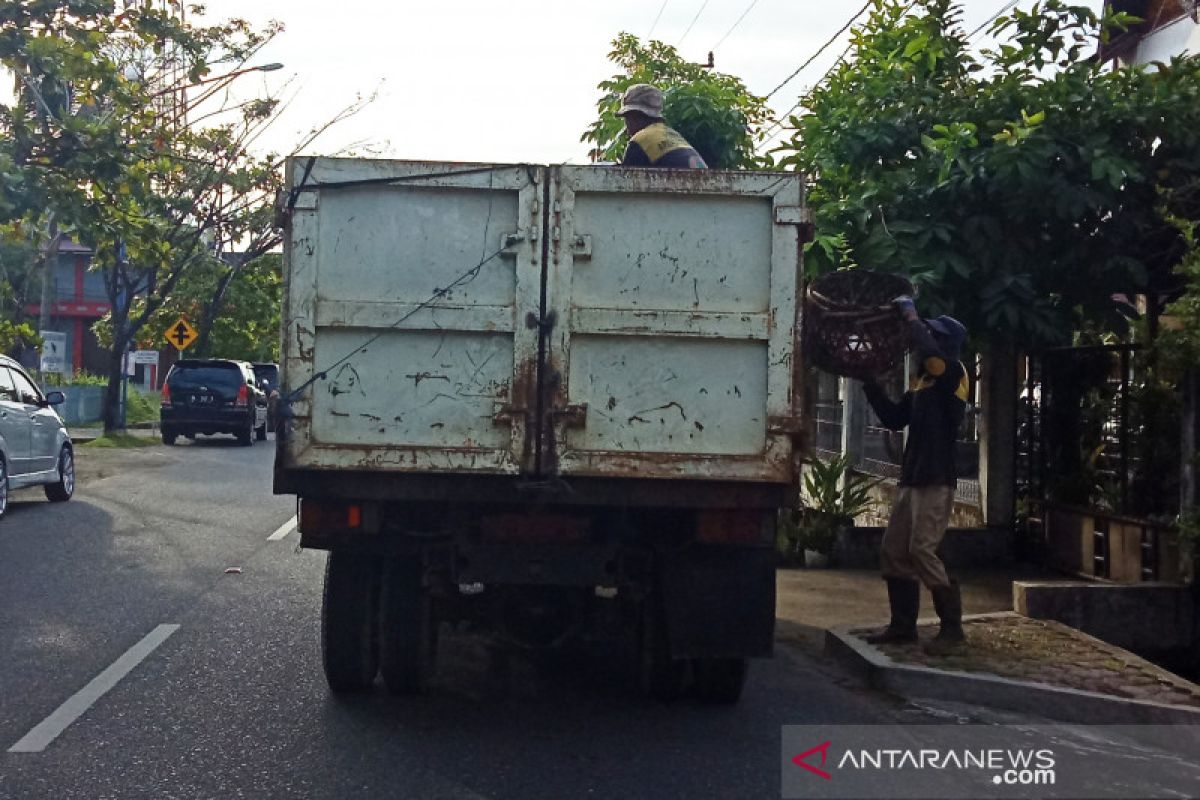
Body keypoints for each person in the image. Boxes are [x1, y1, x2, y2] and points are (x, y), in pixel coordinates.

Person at [860, 296, 969, 655]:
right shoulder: (923, 381)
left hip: (937, 479)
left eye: (933, 336)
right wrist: (869, 383)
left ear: (945, 344)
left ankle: (952, 629)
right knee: (894, 551)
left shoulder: (952, 372)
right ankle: (902, 627)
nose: (924, 339)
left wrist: (910, 315)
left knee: (922, 550)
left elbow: (927, 349)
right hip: (912, 477)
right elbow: (894, 418)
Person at [616, 84, 708, 169]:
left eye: (627, 120)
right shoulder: (673, 134)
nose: (627, 131)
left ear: (634, 117)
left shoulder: (640, 141)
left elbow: (627, 182)